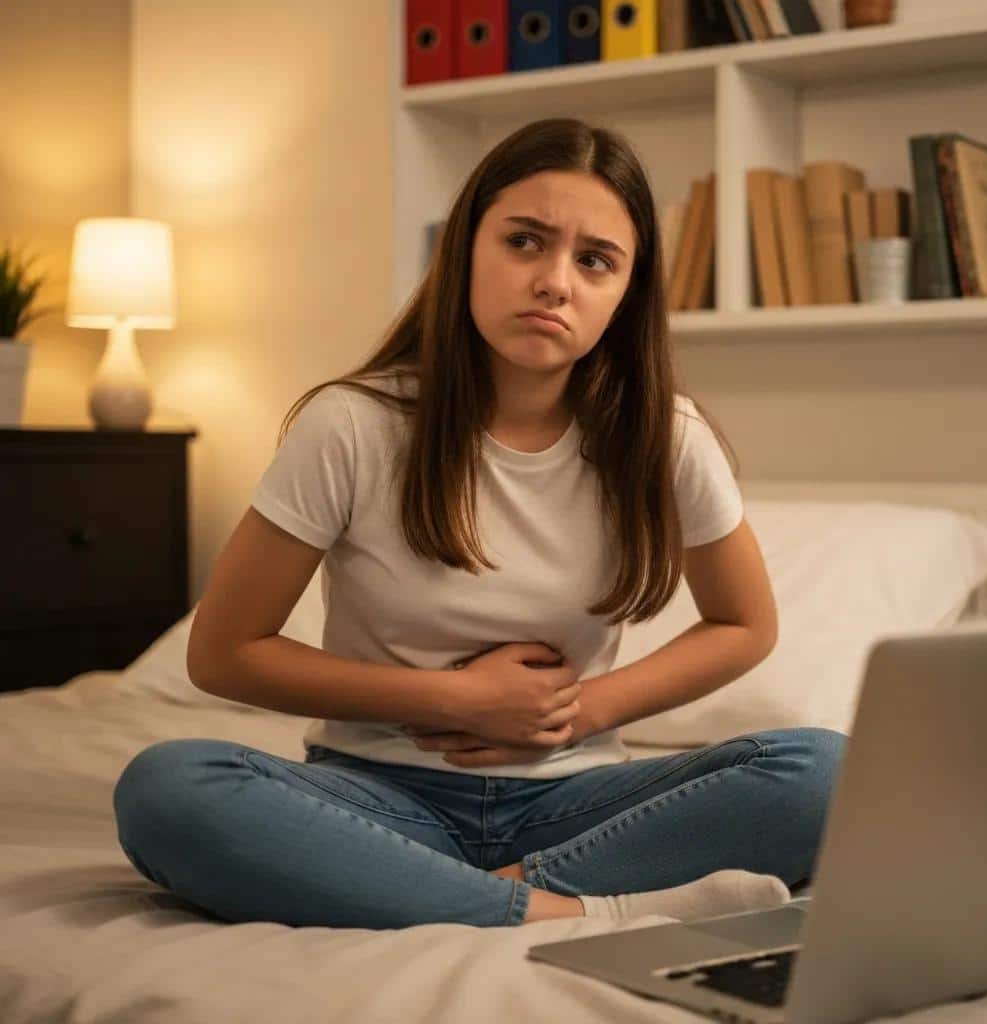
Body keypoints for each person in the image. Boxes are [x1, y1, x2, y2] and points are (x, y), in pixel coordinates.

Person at [112, 117, 847, 930]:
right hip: (377, 794)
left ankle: (436, 891)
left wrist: (581, 711)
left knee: (828, 770)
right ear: (465, 249)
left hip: (578, 800)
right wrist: (456, 699)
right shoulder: (351, 425)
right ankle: (551, 909)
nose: (555, 281)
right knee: (168, 788)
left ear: (624, 293)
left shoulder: (667, 436)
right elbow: (224, 653)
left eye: (594, 260)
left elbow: (746, 624)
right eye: (525, 242)